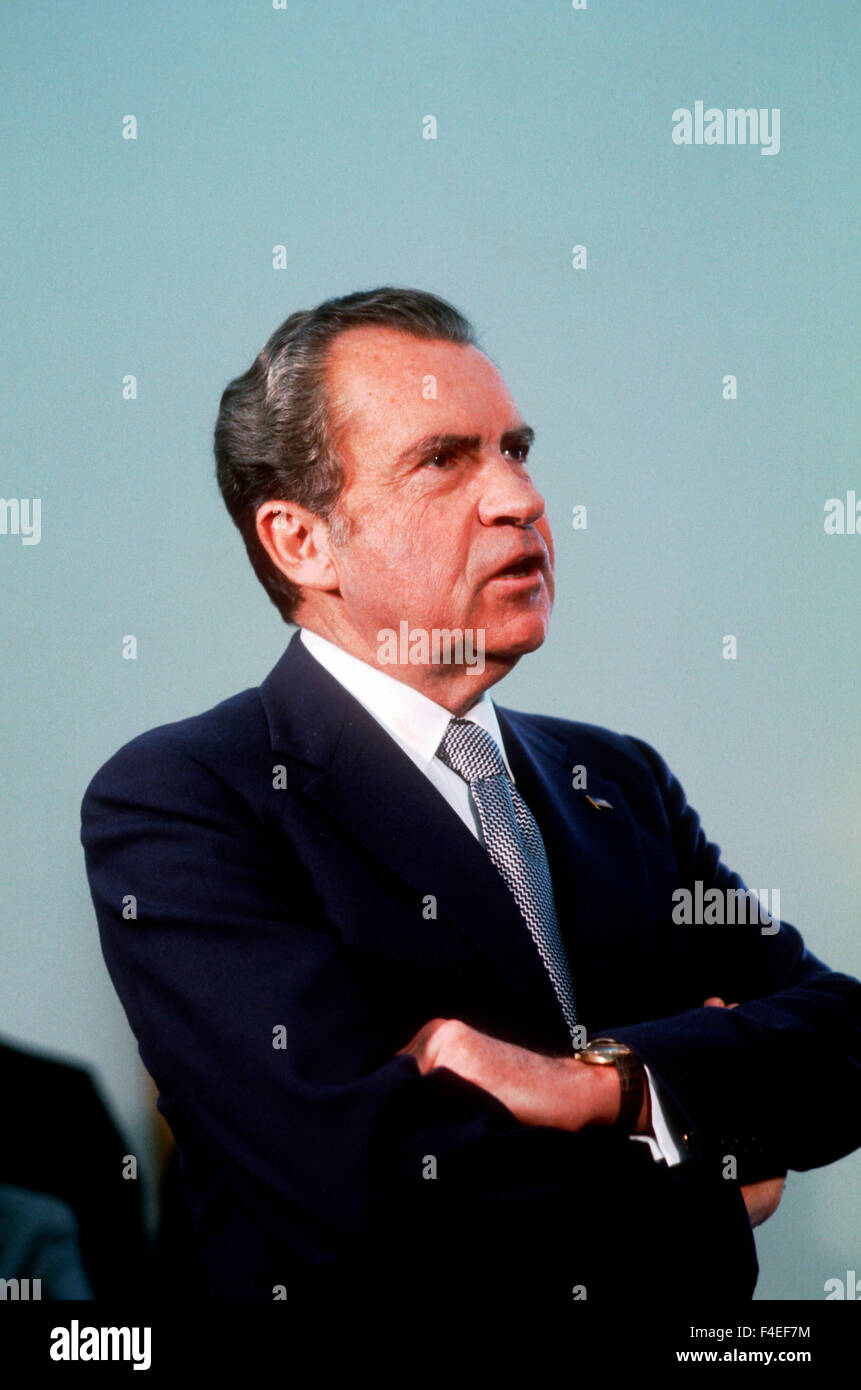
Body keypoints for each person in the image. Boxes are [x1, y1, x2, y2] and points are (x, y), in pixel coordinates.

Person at [81, 288, 861, 1306]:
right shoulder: (187, 799)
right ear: (300, 540)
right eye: (444, 460)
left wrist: (605, 1086)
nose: (518, 498)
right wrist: (711, 1175)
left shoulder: (616, 782)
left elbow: (842, 1036)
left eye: (517, 449)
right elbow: (366, 1196)